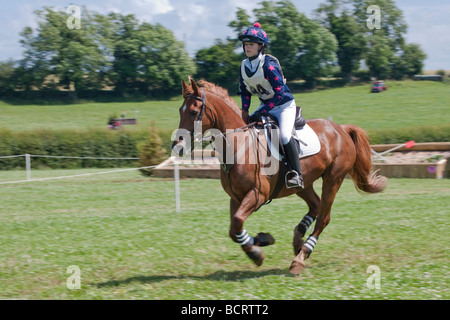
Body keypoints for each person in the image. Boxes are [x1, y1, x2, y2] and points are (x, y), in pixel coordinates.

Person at [238, 22, 304, 189]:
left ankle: (296, 173)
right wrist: (245, 111)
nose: (247, 47)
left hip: (283, 106)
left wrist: (262, 111)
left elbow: (280, 93)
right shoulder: (244, 66)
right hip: (266, 105)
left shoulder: (268, 64)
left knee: (284, 136)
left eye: (251, 44)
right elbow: (245, 91)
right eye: (246, 44)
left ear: (261, 46)